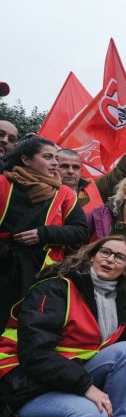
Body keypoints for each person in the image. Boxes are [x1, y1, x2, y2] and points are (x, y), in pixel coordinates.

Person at [0, 236, 126, 417]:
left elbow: (100, 338)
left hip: (67, 374)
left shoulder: (116, 300)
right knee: (96, 414)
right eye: (105, 252)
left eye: (119, 257)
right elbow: (35, 353)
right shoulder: (55, 288)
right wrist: (86, 386)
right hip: (27, 383)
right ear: (92, 257)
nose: (110, 259)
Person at [0, 134, 89, 330]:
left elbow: (81, 230)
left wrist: (44, 234)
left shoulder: (64, 193)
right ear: (26, 159)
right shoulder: (3, 183)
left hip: (39, 274)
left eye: (56, 159)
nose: (54, 164)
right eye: (48, 157)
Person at [57, 122, 126, 212]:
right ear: (54, 167)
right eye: (64, 166)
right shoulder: (43, 192)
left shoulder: (95, 188)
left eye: (75, 167)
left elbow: (123, 171)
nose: (70, 171)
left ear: (81, 171)